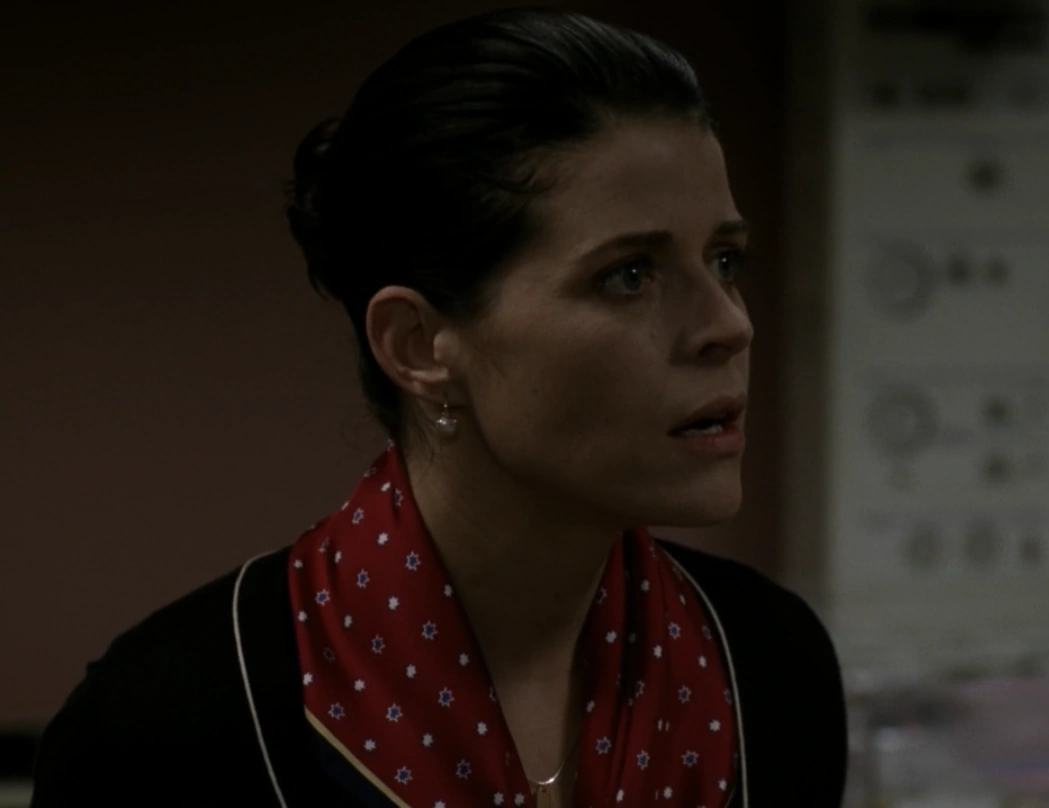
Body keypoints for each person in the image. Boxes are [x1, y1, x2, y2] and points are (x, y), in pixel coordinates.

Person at [29, 8, 848, 807]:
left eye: (725, 260)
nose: (729, 325)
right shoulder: (171, 730)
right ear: (419, 346)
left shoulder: (765, 668)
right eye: (629, 276)